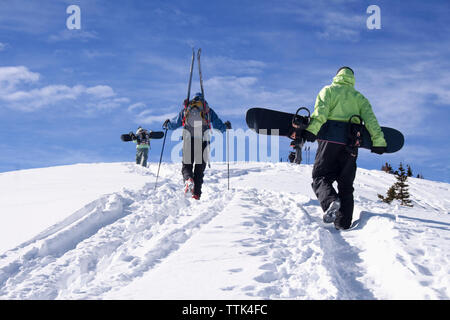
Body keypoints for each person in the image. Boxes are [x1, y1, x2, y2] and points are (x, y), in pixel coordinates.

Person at [302, 66, 387, 230]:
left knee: (320, 176)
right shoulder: (360, 98)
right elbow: (371, 121)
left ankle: (330, 201)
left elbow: (321, 112)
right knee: (346, 184)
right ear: (352, 79)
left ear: (337, 76)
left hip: (330, 141)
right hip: (351, 143)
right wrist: (378, 141)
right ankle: (343, 223)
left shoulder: (329, 91)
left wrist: (312, 130)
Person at [163, 92, 231, 200]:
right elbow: (219, 127)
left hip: (188, 140)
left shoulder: (187, 109)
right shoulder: (207, 110)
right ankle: (197, 194)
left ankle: (188, 179)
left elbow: (175, 124)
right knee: (199, 169)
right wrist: (226, 127)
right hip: (203, 141)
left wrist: (167, 124)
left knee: (187, 165)